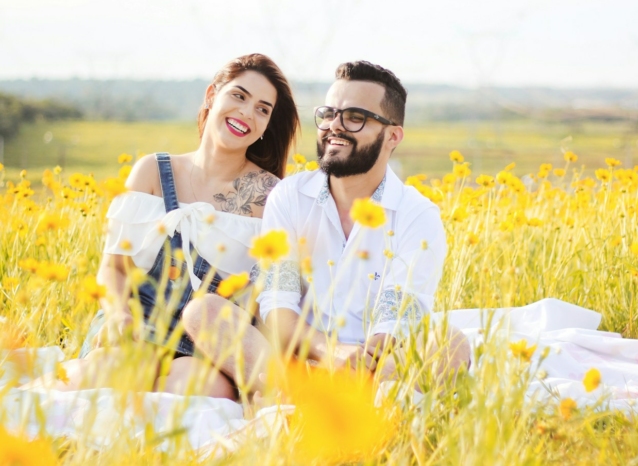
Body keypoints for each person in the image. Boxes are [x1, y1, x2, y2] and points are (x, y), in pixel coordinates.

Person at [23, 53, 300, 399]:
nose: (247, 112)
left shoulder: (271, 196)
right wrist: (117, 314)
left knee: (195, 389)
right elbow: (114, 269)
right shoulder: (153, 171)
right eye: (239, 96)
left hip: (206, 343)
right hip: (135, 323)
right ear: (212, 95)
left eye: (262, 109)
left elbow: (266, 298)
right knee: (120, 371)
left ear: (267, 125)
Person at [183, 60, 470, 388]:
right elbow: (278, 302)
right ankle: (301, 401)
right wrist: (328, 352)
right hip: (300, 362)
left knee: (451, 341)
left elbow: (400, 314)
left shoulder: (417, 214)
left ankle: (364, 410)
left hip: (377, 367)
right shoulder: (289, 197)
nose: (335, 125)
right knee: (203, 312)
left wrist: (360, 363)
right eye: (329, 114)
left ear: (392, 136)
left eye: (355, 117)